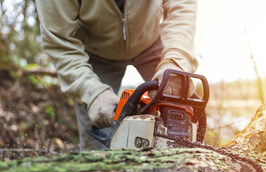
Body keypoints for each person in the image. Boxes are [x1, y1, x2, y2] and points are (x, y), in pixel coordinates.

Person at [35, 0, 198, 150]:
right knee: (96, 141)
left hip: (152, 40)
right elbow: (59, 42)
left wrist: (175, 59)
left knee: (178, 103)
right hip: (95, 52)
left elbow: (182, 6)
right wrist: (92, 92)